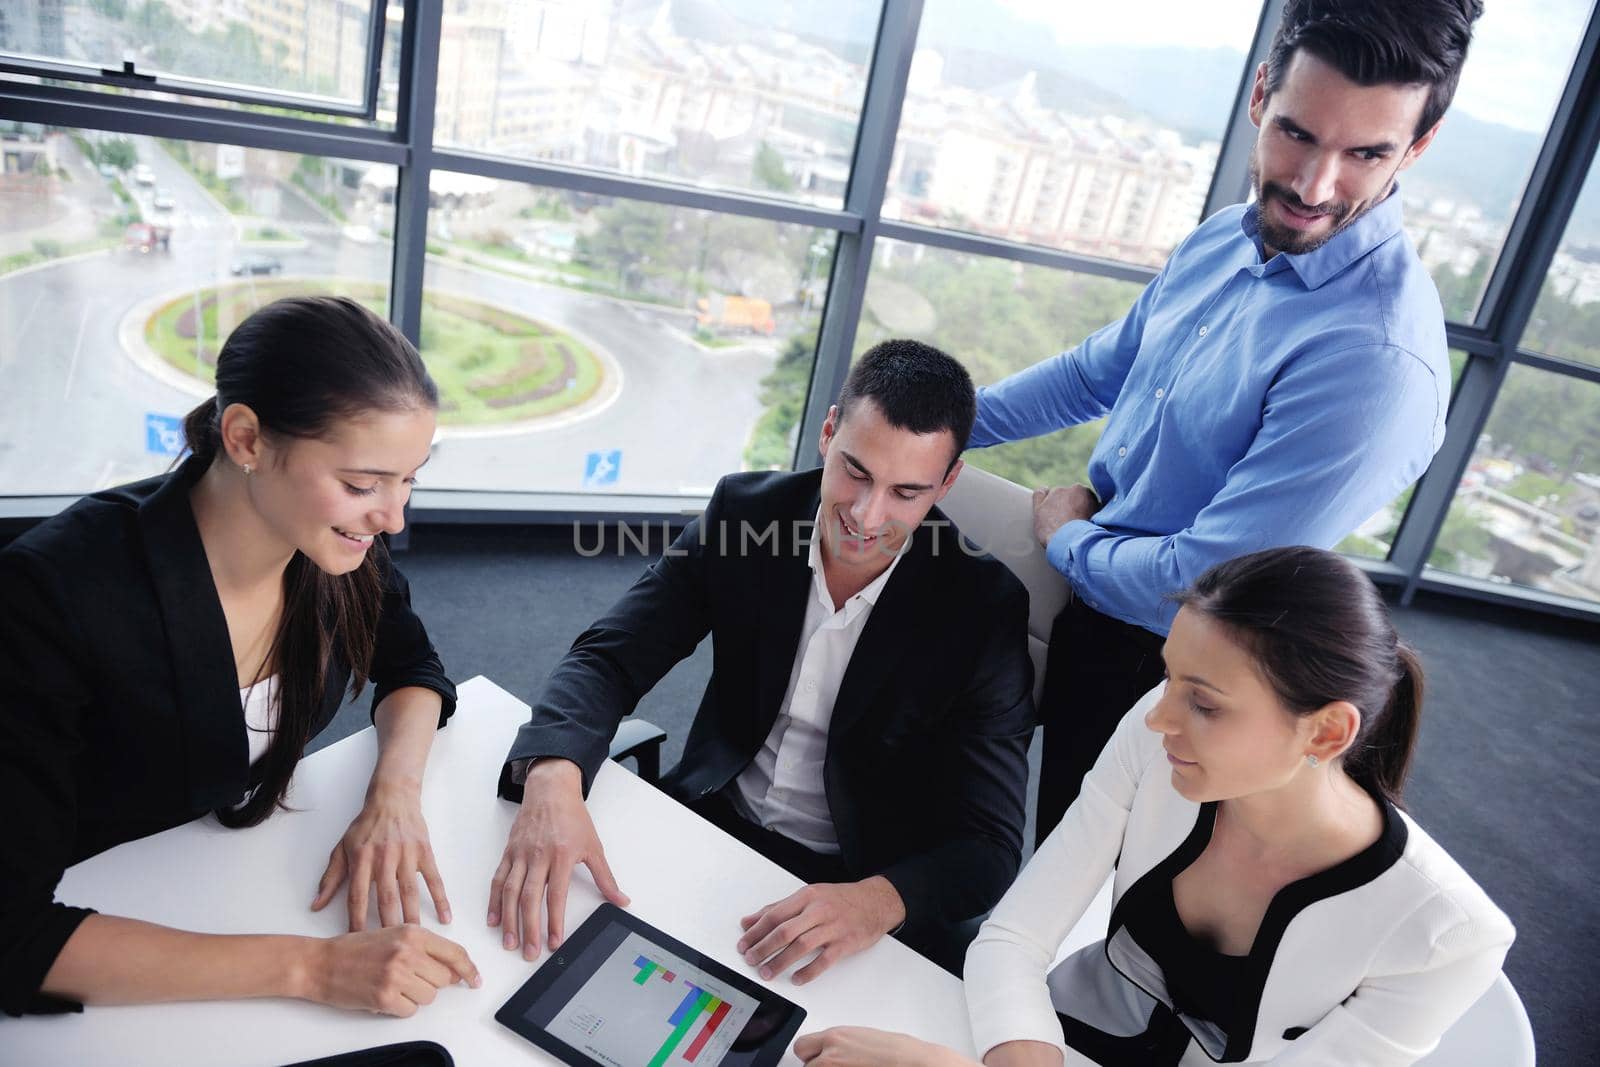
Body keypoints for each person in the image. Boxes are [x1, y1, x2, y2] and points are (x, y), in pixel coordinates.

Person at [967, 0, 1483, 843]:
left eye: (1365, 154)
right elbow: (1103, 369)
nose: (1315, 187)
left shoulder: (1377, 363)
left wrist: (1067, 537)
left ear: (1416, 150)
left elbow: (1198, 585)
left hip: (1182, 664)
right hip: (1098, 587)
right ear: (1260, 95)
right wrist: (942, 423)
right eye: (1298, 134)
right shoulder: (1223, 239)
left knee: (1098, 880)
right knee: (1014, 813)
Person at [793, 546, 1514, 1066]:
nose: (1162, 717)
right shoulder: (1157, 735)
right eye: (1169, 677)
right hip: (1039, 1036)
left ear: (1326, 731)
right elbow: (1014, 937)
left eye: (1204, 702)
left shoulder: (1449, 936)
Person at [0, 296, 482, 1019]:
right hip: (109, 927)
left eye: (409, 478)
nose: (393, 517)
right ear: (247, 438)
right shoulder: (53, 595)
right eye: (362, 484)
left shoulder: (335, 549)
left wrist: (396, 796)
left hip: (221, 882)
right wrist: (314, 968)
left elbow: (412, 667)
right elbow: (13, 935)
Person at [490, 340, 1034, 979]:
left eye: (906, 493)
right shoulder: (745, 516)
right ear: (828, 432)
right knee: (540, 964)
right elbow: (611, 658)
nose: (867, 515)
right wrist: (553, 774)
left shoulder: (983, 609)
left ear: (947, 483)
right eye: (855, 471)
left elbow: (989, 847)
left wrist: (878, 901)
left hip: (852, 882)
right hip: (714, 822)